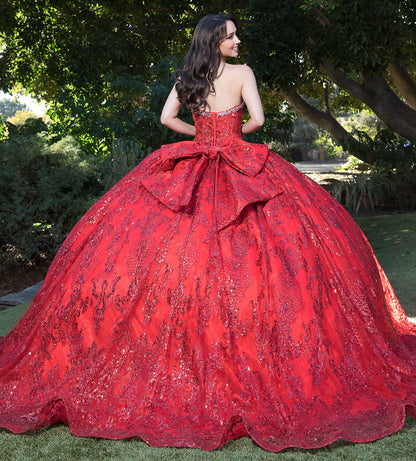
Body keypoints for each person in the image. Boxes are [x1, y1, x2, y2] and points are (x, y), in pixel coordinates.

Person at [0, 13, 415, 453]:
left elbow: (167, 119)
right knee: (267, 255)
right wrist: (229, 135)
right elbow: (255, 122)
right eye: (231, 36)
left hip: (196, 156)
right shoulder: (242, 74)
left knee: (174, 254)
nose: (238, 41)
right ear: (215, 40)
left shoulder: (187, 77)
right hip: (240, 158)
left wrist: (201, 136)